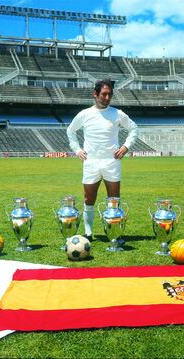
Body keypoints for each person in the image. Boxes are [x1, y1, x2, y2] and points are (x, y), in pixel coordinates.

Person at [67, 79, 138, 241]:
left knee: (114, 200)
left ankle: (114, 234)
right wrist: (77, 150)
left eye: (110, 95)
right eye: (104, 94)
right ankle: (89, 233)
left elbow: (134, 128)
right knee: (88, 199)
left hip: (111, 162)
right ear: (95, 94)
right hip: (91, 162)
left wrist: (126, 146)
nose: (107, 98)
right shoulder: (84, 114)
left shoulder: (117, 113)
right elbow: (70, 131)